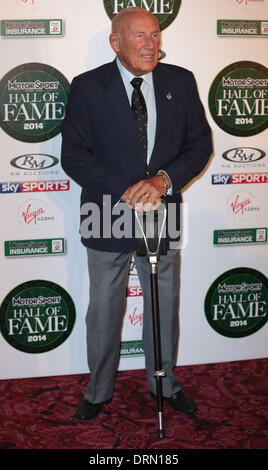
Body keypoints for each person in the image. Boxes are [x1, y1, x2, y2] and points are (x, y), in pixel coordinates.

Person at [61, 7, 212, 421]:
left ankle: (165, 385)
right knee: (105, 307)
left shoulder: (180, 82)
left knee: (164, 304)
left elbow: (200, 145)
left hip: (162, 207)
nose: (151, 43)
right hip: (107, 209)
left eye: (155, 35)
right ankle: (98, 391)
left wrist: (163, 181)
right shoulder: (87, 87)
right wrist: (127, 190)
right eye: (140, 36)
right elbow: (73, 156)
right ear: (116, 42)